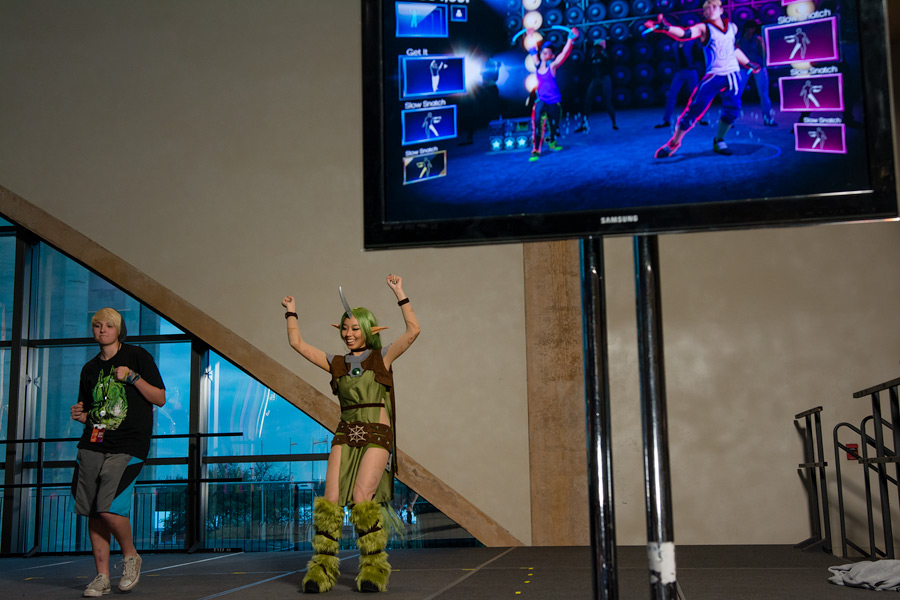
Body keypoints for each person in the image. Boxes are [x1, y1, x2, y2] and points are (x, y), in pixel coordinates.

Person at [282, 275, 420, 594]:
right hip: (346, 432)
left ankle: (373, 568)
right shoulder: (337, 364)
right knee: (330, 501)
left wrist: (400, 293)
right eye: (345, 328)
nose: (348, 334)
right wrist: (291, 312)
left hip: (376, 432)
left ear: (370, 330)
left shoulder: (381, 357)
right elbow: (297, 344)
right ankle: (322, 569)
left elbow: (413, 331)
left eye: (355, 328)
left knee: (361, 499)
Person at [69, 308, 166, 597]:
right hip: (93, 444)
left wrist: (134, 377)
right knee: (92, 511)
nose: (102, 330)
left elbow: (160, 398)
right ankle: (101, 577)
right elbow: (93, 411)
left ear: (118, 329)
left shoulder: (137, 357)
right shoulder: (89, 369)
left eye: (108, 326)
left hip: (129, 445)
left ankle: (130, 556)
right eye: (97, 326)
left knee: (108, 506)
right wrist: (81, 415)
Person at [644, 0, 761, 158]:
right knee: (694, 109)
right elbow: (685, 34)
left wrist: (748, 63)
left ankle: (719, 140)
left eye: (714, 6)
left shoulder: (733, 27)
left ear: (721, 10)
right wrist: (666, 28)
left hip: (733, 74)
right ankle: (674, 142)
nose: (711, 9)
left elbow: (733, 49)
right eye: (707, 8)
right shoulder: (704, 28)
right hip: (714, 75)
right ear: (704, 13)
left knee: (732, 110)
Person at [528, 27, 579, 161]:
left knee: (554, 124)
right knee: (537, 121)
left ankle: (552, 142)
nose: (544, 54)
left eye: (547, 53)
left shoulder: (552, 66)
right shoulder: (538, 65)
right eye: (543, 52)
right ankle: (535, 150)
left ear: (551, 56)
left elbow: (564, 53)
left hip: (553, 101)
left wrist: (570, 38)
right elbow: (532, 49)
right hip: (541, 100)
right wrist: (530, 35)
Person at [653, 38, 706, 129]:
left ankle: (699, 118)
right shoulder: (674, 45)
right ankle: (667, 120)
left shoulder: (691, 43)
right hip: (680, 72)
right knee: (672, 95)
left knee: (695, 96)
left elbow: (698, 56)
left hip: (691, 71)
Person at [737, 19, 776, 126]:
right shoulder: (740, 40)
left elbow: (764, 53)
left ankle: (767, 118)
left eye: (753, 28)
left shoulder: (757, 39)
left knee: (763, 94)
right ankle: (730, 119)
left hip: (758, 66)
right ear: (746, 28)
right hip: (744, 67)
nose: (751, 30)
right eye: (750, 28)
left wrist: (765, 66)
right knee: (737, 93)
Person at [577, 38, 617, 132]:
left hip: (605, 78)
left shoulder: (606, 56)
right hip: (595, 79)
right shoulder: (593, 56)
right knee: (588, 101)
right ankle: (584, 124)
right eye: (596, 48)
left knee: (607, 102)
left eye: (598, 47)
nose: (597, 49)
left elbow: (611, 65)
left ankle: (614, 122)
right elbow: (588, 67)